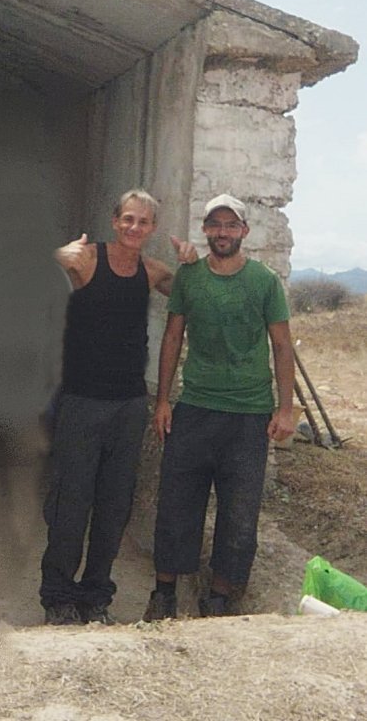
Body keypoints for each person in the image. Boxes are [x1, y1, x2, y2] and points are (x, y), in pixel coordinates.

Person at [39, 188, 198, 625]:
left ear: (153, 228)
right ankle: (57, 597)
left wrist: (192, 262)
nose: (134, 227)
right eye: (128, 219)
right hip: (81, 401)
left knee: (113, 507)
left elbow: (190, 292)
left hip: (128, 405)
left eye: (143, 222)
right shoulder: (88, 259)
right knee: (71, 504)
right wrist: (58, 253)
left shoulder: (151, 271)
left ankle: (96, 598)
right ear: (115, 221)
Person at [144, 193, 295, 621]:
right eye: (215, 225)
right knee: (177, 503)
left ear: (244, 231)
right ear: (205, 229)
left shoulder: (264, 281)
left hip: (249, 414)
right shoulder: (190, 278)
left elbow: (282, 345)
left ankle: (219, 599)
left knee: (239, 512)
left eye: (231, 225)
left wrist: (285, 409)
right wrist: (163, 400)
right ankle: (164, 595)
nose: (223, 232)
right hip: (195, 407)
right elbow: (173, 337)